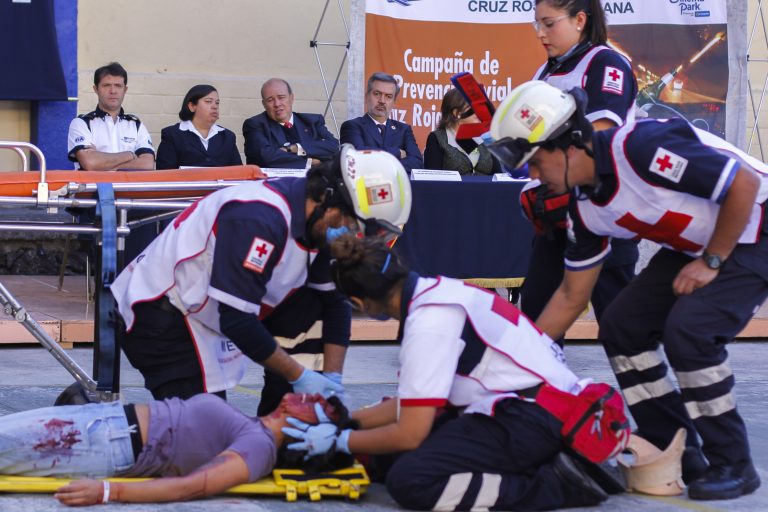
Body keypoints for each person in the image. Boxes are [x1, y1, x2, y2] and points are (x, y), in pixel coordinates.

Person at [486, 79, 767, 500]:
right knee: (621, 324)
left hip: (755, 227)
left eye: (535, 161)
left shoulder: (640, 147)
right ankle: (675, 447)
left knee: (690, 330)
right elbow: (570, 297)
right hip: (697, 243)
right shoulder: (583, 209)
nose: (532, 175)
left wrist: (711, 262)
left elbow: (742, 185)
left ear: (568, 144)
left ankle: (733, 462)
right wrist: (511, 361)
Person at [283, 235, 626, 511]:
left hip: (534, 418)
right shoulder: (439, 291)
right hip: (525, 405)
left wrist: (342, 439)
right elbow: (414, 404)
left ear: (359, 305)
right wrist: (346, 422)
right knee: (386, 460)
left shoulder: (429, 324)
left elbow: (410, 432)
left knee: (411, 480)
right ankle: (531, 464)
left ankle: (556, 484)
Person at [110, 145, 412, 414]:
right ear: (328, 199)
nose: (354, 239)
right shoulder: (259, 218)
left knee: (314, 305)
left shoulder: (316, 223)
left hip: (208, 312)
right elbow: (237, 320)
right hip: (159, 316)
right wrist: (299, 376)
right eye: (353, 226)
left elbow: (334, 304)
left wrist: (330, 381)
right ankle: (87, 430)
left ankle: (284, 419)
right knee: (200, 442)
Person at [519, 0, 639, 340]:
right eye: (536, 24)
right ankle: (540, 392)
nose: (541, 33)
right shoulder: (544, 73)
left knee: (621, 329)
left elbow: (600, 132)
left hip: (604, 214)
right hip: (555, 217)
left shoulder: (605, 62)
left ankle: (649, 393)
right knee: (537, 321)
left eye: (549, 23)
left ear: (580, 20)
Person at [0, 392, 349, 506]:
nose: (314, 395)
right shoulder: (253, 426)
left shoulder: (259, 448)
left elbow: (192, 485)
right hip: (103, 421)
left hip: (103, 441)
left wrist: (108, 491)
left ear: (310, 432)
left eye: (322, 407)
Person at [67, 62, 155, 171]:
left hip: (129, 187)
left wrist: (102, 161)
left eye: (118, 86)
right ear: (96, 89)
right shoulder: (82, 123)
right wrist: (129, 155)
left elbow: (147, 165)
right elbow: (90, 163)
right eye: (106, 85)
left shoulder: (136, 125)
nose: (113, 91)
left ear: (125, 90)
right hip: (94, 187)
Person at [242, 78, 339, 169]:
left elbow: (334, 147)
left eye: (281, 97)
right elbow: (266, 158)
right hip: (273, 183)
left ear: (291, 98)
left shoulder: (312, 121)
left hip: (312, 182)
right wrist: (309, 162)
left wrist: (295, 148)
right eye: (270, 100)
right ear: (264, 104)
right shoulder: (255, 125)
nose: (277, 104)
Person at [340, 72, 423, 173]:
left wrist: (377, 163)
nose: (382, 100)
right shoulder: (352, 126)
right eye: (377, 94)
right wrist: (396, 152)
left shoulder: (404, 130)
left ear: (394, 101)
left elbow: (417, 163)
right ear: (366, 96)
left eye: (388, 96)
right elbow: (357, 157)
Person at [156, 84, 242, 170]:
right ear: (192, 106)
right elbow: (164, 173)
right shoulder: (172, 135)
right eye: (208, 101)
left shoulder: (227, 136)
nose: (215, 106)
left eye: (217, 103)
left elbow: (239, 173)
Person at [423, 88, 499, 175]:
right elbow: (432, 180)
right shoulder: (437, 138)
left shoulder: (485, 137)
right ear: (456, 113)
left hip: (488, 189)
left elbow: (499, 176)